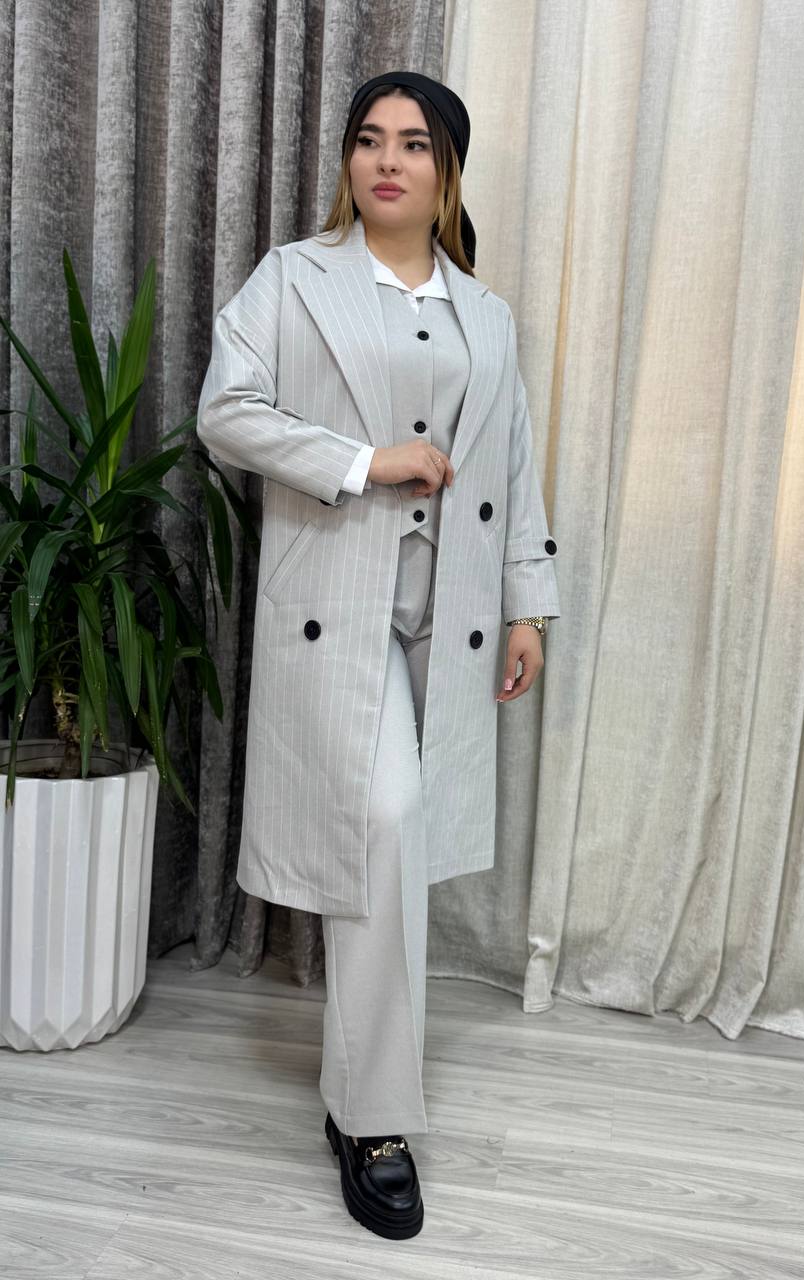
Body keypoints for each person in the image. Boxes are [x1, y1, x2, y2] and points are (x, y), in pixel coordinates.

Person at [196, 70, 560, 1240]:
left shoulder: (485, 313)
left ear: (446, 170)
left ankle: (361, 1098)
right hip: (337, 606)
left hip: (449, 616)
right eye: (369, 139)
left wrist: (528, 604)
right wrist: (365, 463)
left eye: (413, 143)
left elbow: (512, 463)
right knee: (389, 825)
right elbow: (225, 410)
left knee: (392, 853)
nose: (387, 160)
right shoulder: (295, 278)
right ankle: (374, 1120)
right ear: (349, 160)